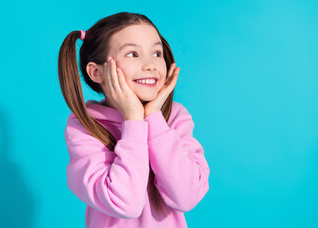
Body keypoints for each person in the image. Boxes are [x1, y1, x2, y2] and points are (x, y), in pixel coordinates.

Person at [58, 12, 210, 228]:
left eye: (156, 53)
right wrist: (133, 121)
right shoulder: (85, 127)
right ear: (96, 72)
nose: (150, 65)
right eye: (132, 54)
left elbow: (186, 197)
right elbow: (124, 204)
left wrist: (154, 119)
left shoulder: (175, 117)